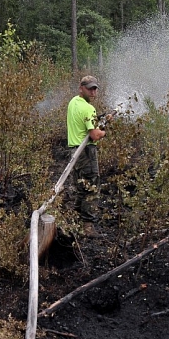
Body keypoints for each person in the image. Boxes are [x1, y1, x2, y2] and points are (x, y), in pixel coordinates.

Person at [67, 75, 110, 236]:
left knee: (80, 187)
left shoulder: (73, 102)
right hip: (86, 152)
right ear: (81, 88)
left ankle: (76, 219)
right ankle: (88, 227)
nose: (93, 92)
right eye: (90, 88)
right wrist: (104, 131)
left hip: (74, 152)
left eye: (95, 89)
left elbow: (83, 123)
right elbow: (94, 135)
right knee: (91, 188)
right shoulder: (88, 109)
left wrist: (99, 120)